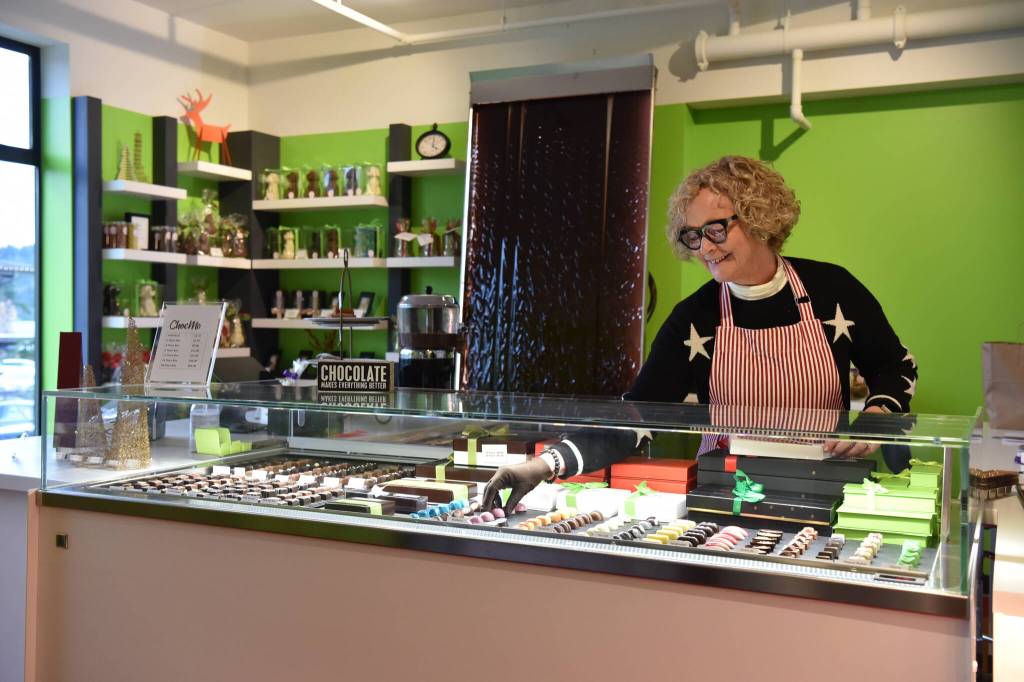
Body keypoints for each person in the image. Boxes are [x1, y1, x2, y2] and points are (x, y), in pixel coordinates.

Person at [481, 156, 918, 514]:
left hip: (824, 491)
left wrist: (879, 415)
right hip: (724, 497)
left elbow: (895, 366)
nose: (705, 248)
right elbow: (637, 417)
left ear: (759, 217)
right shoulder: (695, 317)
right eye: (693, 236)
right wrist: (544, 464)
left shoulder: (832, 290)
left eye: (716, 229)